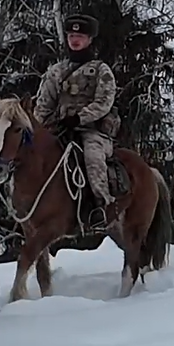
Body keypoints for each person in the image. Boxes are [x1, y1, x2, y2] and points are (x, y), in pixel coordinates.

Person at [32, 14, 119, 208]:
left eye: (80, 36)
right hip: (60, 129)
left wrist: (80, 118)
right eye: (71, 36)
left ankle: (102, 205)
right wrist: (36, 128)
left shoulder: (101, 70)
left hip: (92, 132)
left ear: (89, 39)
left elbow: (104, 102)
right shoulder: (56, 71)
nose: (75, 40)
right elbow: (44, 104)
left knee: (92, 158)